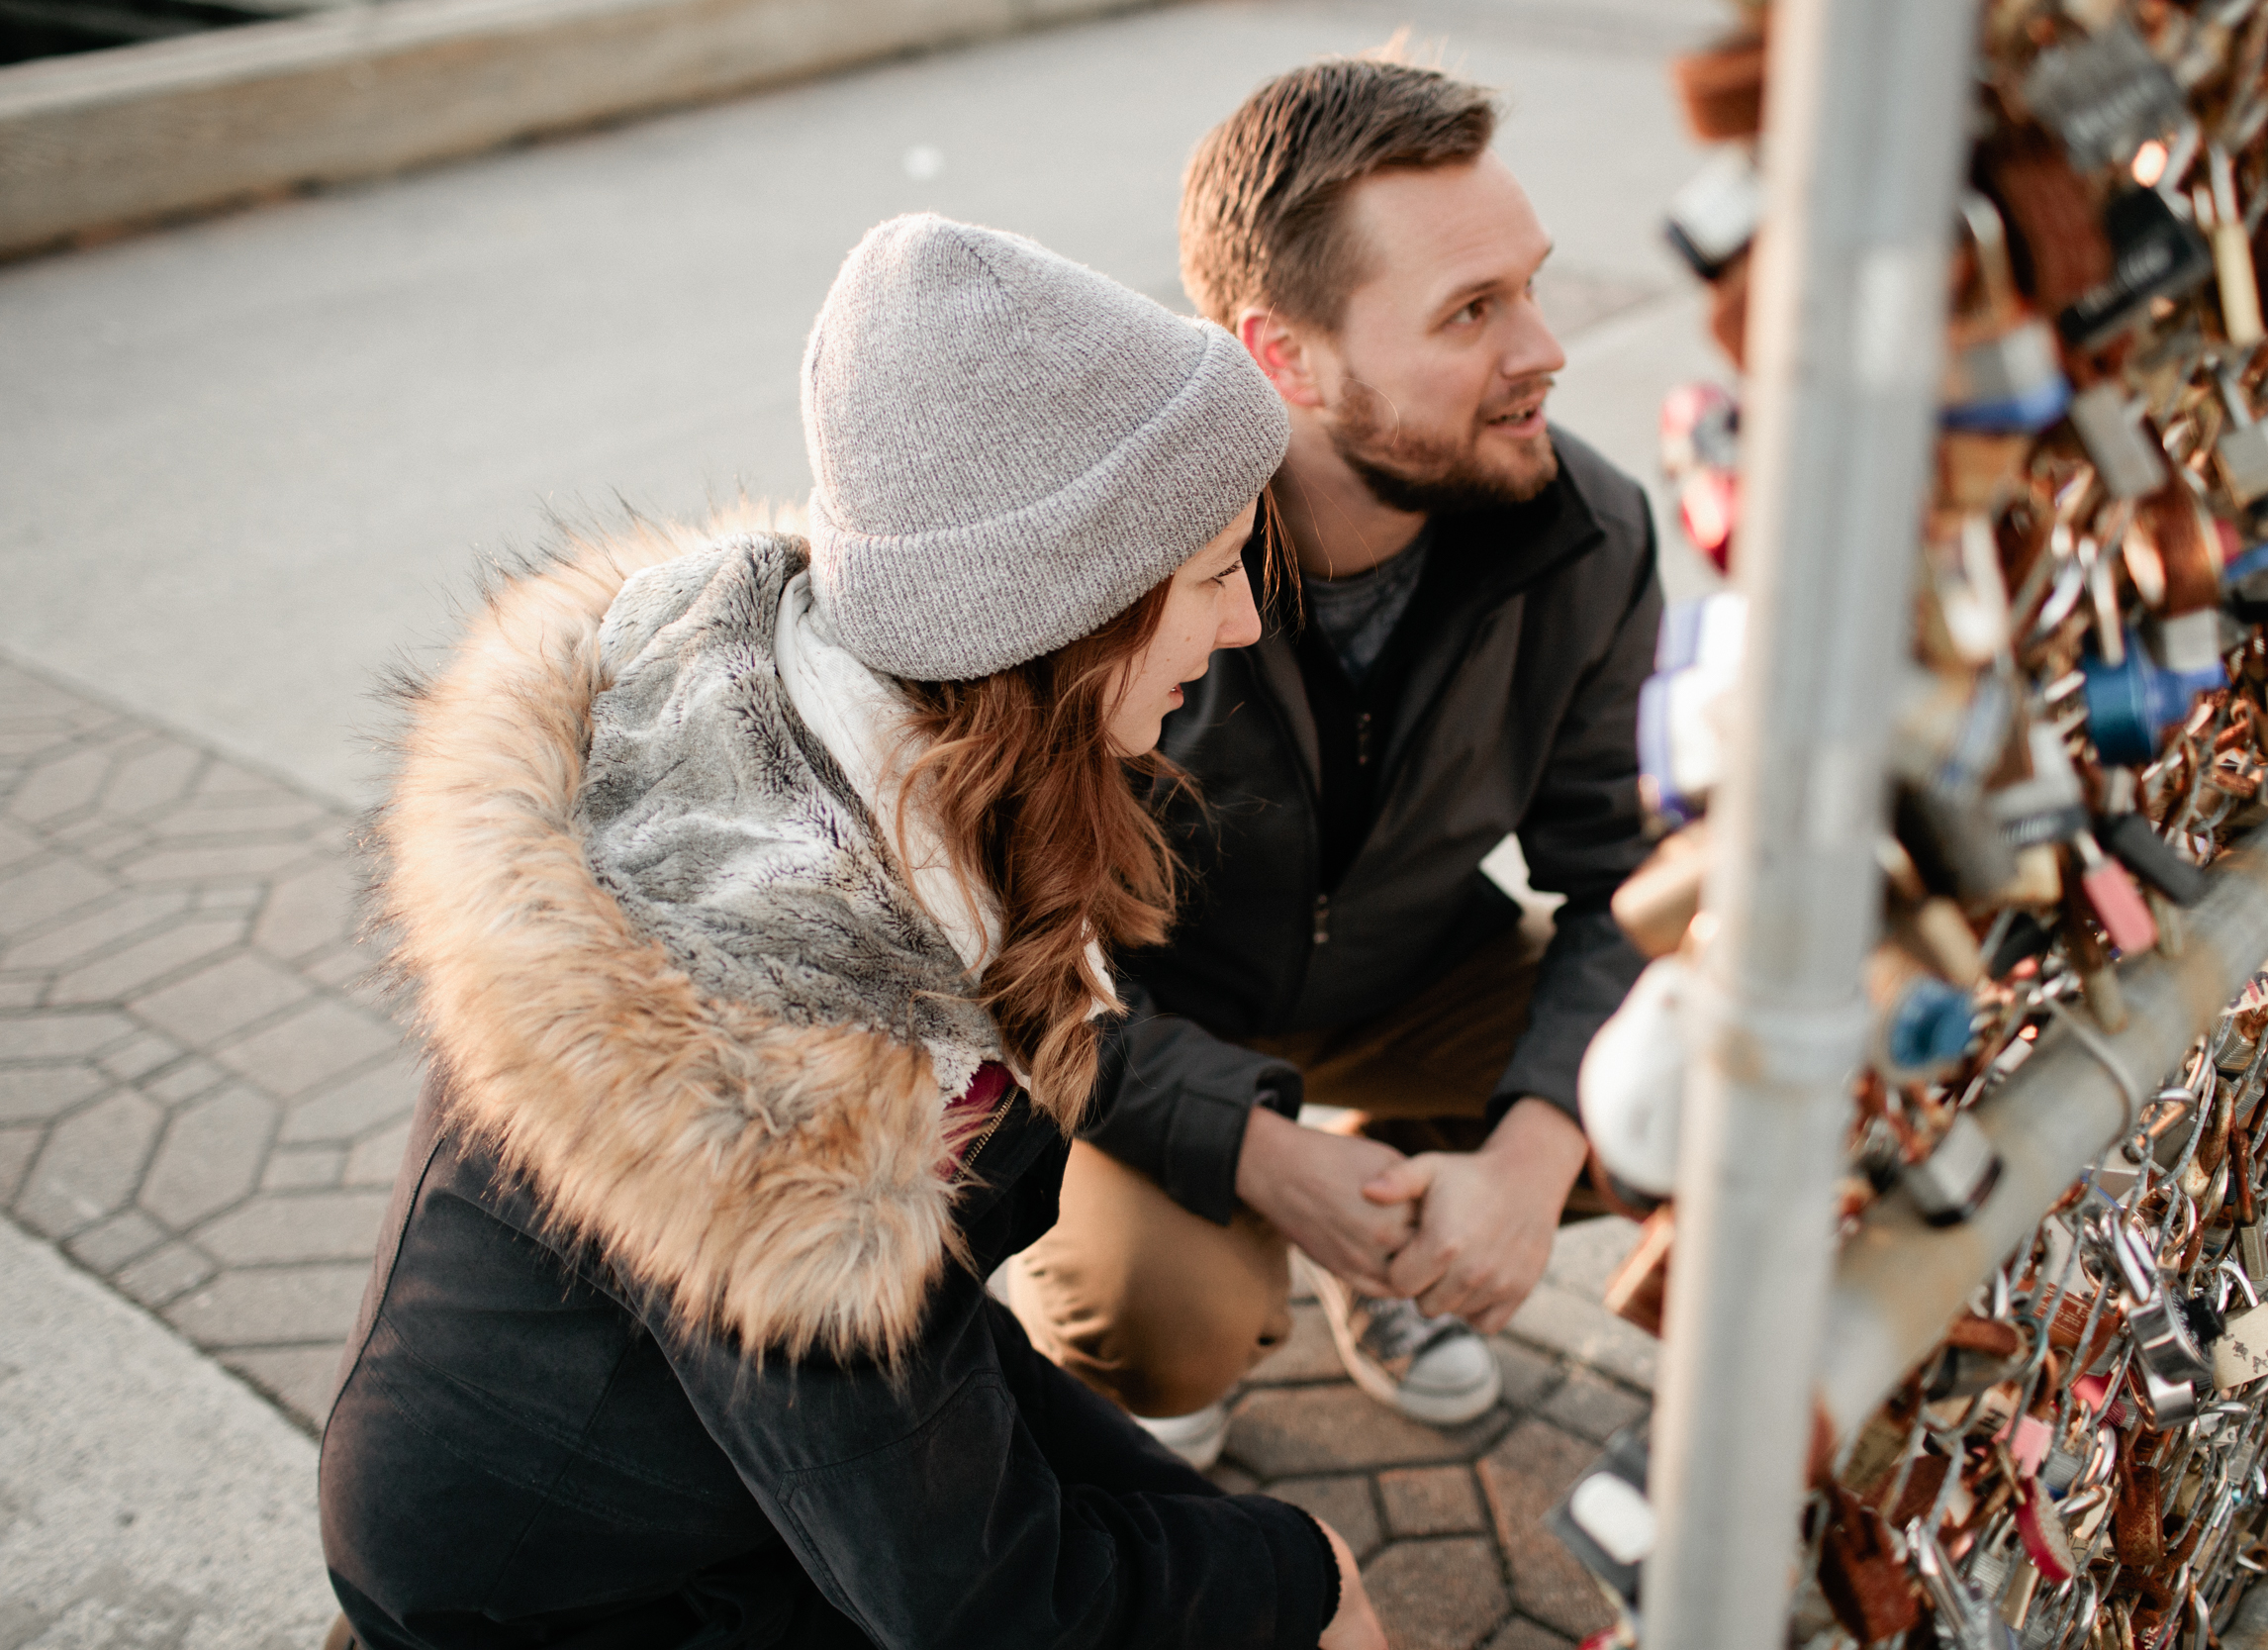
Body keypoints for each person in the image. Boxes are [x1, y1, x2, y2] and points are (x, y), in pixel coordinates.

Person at [318, 215, 1387, 1650]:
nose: (1245, 623)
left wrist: (1232, 1541)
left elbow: (939, 1359)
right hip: (566, 1602)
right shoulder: (800, 1053)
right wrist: (1296, 1574)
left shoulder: (865, 800)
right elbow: (982, 1607)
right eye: (1207, 576)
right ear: (1066, 622)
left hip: (734, 1484)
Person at [1006, 54, 1663, 1465]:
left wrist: (1532, 1156)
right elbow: (1004, 958)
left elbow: (1629, 875)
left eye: (1532, 285)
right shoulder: (1109, 564)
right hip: (1149, 1018)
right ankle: (1196, 1288)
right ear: (1280, 357)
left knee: (1731, 1093)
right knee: (1157, 1321)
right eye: (1471, 312)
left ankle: (1407, 1217)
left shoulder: (1586, 531)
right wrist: (1257, 1153)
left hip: (1405, 981)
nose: (1543, 348)